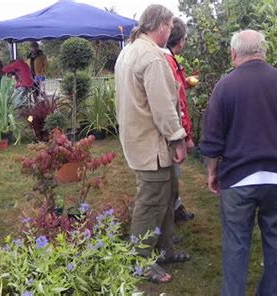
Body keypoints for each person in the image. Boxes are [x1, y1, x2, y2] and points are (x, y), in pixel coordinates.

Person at [199, 30, 277, 296]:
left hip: (238, 180)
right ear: (264, 51)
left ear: (233, 54)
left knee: (236, 244)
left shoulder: (224, 86)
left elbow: (213, 139)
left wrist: (212, 172)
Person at [115, 4, 189, 284]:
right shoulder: (152, 57)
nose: (171, 31)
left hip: (138, 137)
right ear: (161, 26)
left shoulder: (129, 51)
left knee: (167, 195)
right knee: (150, 202)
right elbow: (163, 107)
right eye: (170, 26)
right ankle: (140, 260)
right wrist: (177, 138)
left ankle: (165, 248)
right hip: (151, 143)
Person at [164, 17, 196, 224]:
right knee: (168, 176)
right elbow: (177, 105)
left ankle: (175, 210)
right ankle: (166, 223)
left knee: (170, 176)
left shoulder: (167, 60)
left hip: (167, 129)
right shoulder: (166, 62)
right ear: (181, 40)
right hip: (171, 131)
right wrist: (186, 136)